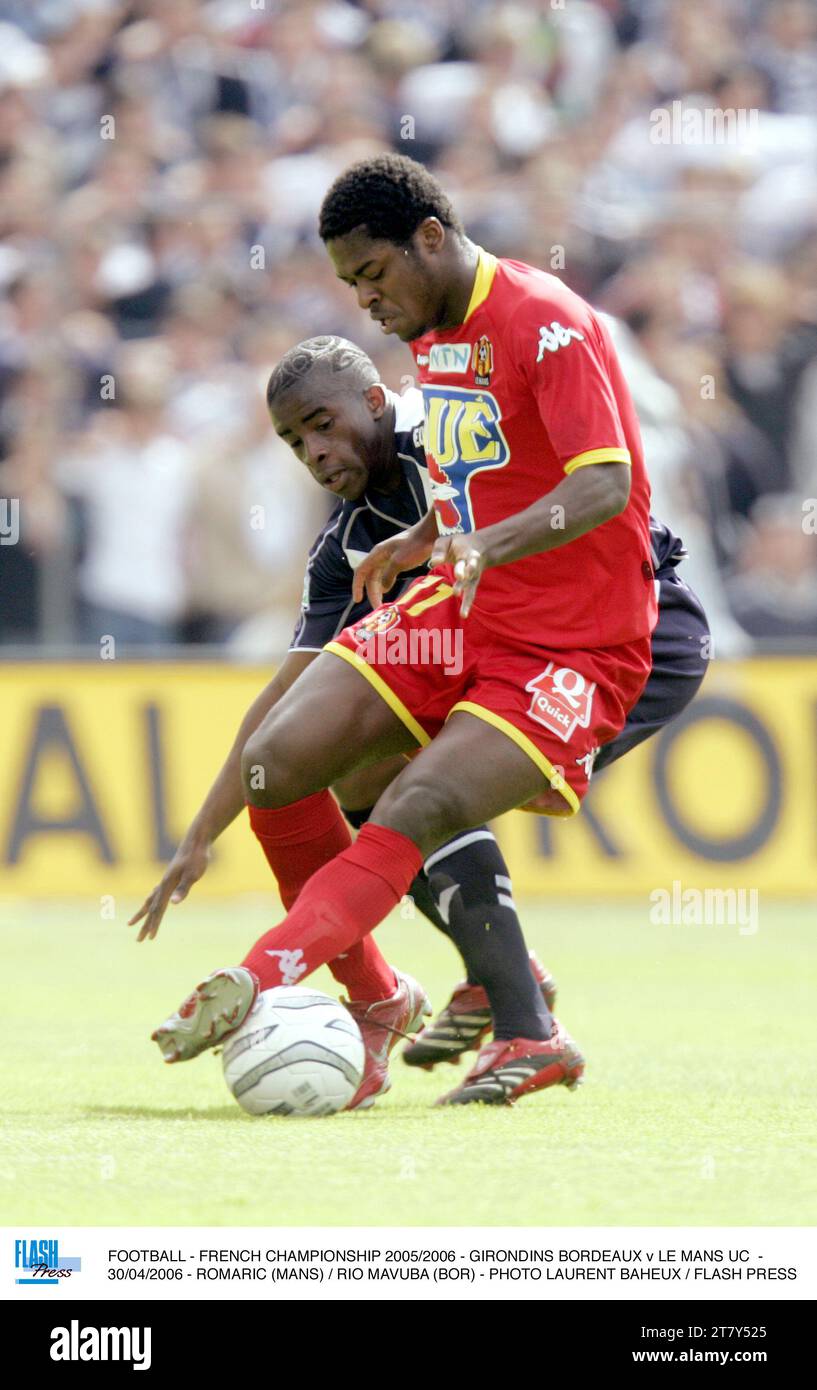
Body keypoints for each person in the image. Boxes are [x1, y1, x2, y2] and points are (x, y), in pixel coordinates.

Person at [149, 154, 706, 1106]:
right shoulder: (435, 343)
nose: (366, 300)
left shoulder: (547, 321)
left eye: (373, 276)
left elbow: (602, 485)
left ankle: (303, 980)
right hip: (465, 611)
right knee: (288, 766)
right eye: (349, 286)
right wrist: (425, 538)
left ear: (431, 240)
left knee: (416, 800)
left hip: (601, 633)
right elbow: (473, 482)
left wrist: (478, 544)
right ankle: (481, 995)